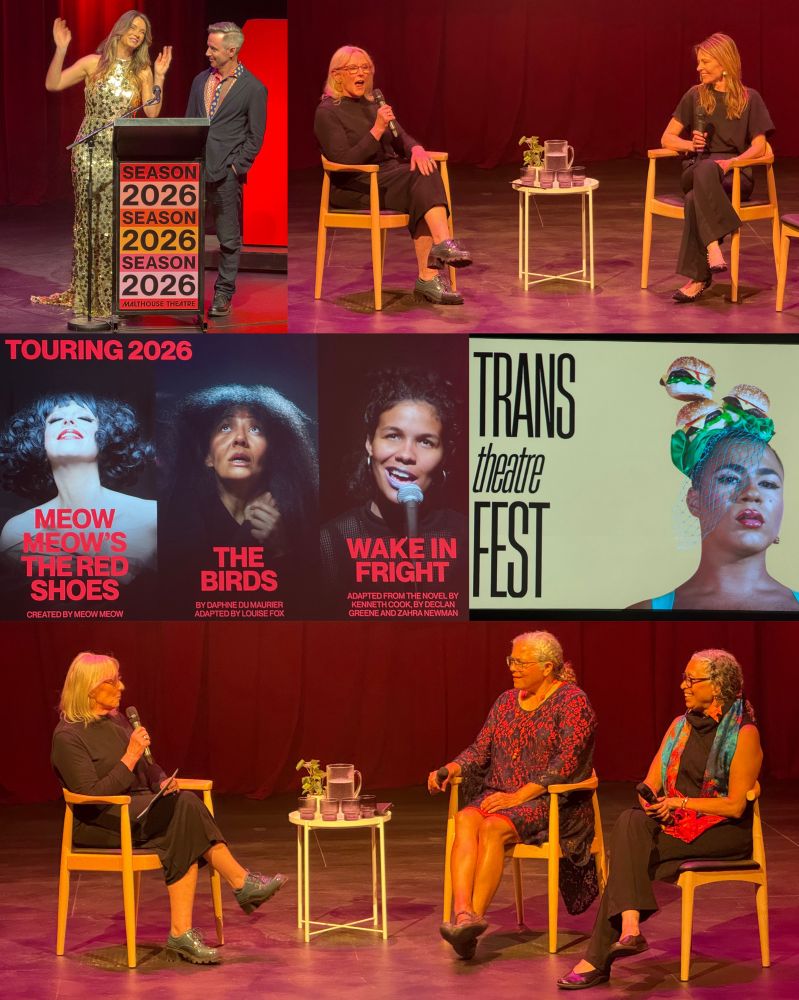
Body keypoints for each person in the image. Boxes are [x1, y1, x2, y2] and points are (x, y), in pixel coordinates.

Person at [52, 652, 287, 964]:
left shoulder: (117, 721)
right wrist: (130, 756)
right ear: (90, 689)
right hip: (102, 821)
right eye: (113, 682)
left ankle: (184, 932)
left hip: (139, 811)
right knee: (186, 810)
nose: (122, 687)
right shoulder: (68, 736)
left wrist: (162, 780)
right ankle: (240, 884)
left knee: (183, 822)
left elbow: (150, 767)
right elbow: (91, 794)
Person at [558, 649, 762, 990]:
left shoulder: (744, 733)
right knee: (630, 820)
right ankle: (629, 929)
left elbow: (734, 806)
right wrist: (655, 804)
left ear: (717, 686)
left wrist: (679, 803)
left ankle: (600, 954)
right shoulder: (679, 727)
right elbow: (649, 785)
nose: (683, 685)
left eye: (692, 680)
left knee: (629, 861)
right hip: (676, 825)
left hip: (723, 832)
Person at [428, 632, 598, 960]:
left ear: (547, 667)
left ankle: (471, 922)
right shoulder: (506, 701)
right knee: (465, 818)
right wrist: (449, 768)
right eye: (512, 661)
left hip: (552, 802)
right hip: (502, 794)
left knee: (493, 827)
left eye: (521, 662)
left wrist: (520, 796)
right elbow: (480, 750)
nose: (513, 668)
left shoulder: (573, 700)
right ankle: (464, 915)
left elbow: (568, 762)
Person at [631, 356, 798, 611]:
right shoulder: (642, 615)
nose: (751, 493)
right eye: (730, 478)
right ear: (694, 501)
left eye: (768, 484)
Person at [34, 12, 172, 320]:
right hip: (89, 150)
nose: (138, 33)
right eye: (134, 27)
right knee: (88, 222)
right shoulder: (92, 63)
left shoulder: (143, 71)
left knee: (114, 225)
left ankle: (110, 293)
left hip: (123, 150)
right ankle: (86, 292)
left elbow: (151, 114)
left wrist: (160, 76)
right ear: (120, 30)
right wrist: (60, 49)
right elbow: (53, 83)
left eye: (143, 31)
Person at [314, 45, 472, 306]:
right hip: (354, 184)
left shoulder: (374, 103)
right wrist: (376, 130)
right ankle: (435, 263)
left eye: (366, 68)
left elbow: (401, 138)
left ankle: (432, 270)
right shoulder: (328, 112)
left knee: (424, 168)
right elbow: (344, 160)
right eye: (354, 68)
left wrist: (418, 149)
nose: (361, 73)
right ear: (337, 74)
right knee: (420, 180)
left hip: (386, 177)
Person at [320, 369, 468, 616]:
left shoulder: (470, 539)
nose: (406, 454)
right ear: (370, 443)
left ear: (444, 456)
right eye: (393, 436)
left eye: (426, 442)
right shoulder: (330, 543)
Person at [159, 384, 318, 614]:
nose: (240, 439)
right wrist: (246, 535)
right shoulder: (174, 520)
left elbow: (304, 606)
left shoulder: (300, 517)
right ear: (207, 457)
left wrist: (282, 550)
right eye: (225, 427)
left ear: (271, 454)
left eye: (255, 429)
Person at [660, 33, 774, 303]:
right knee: (704, 170)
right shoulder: (694, 96)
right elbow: (666, 138)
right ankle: (713, 244)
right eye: (699, 62)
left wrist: (733, 162)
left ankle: (699, 278)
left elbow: (761, 146)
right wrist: (690, 144)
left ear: (724, 63)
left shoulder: (750, 98)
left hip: (735, 173)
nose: (699, 68)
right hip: (699, 165)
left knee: (692, 200)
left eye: (705, 62)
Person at [0, 393, 156, 587]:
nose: (69, 421)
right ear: (38, 438)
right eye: (55, 419)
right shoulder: (18, 531)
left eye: (84, 418)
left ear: (106, 435)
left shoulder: (152, 517)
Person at [185, 22, 267, 318]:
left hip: (225, 175)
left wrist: (236, 167)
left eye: (213, 48)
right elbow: (189, 124)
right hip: (194, 173)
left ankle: (223, 292)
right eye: (208, 46)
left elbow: (255, 136)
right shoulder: (199, 81)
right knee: (187, 235)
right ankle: (186, 291)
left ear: (231, 50)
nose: (207, 52)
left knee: (228, 238)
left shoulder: (253, 88)